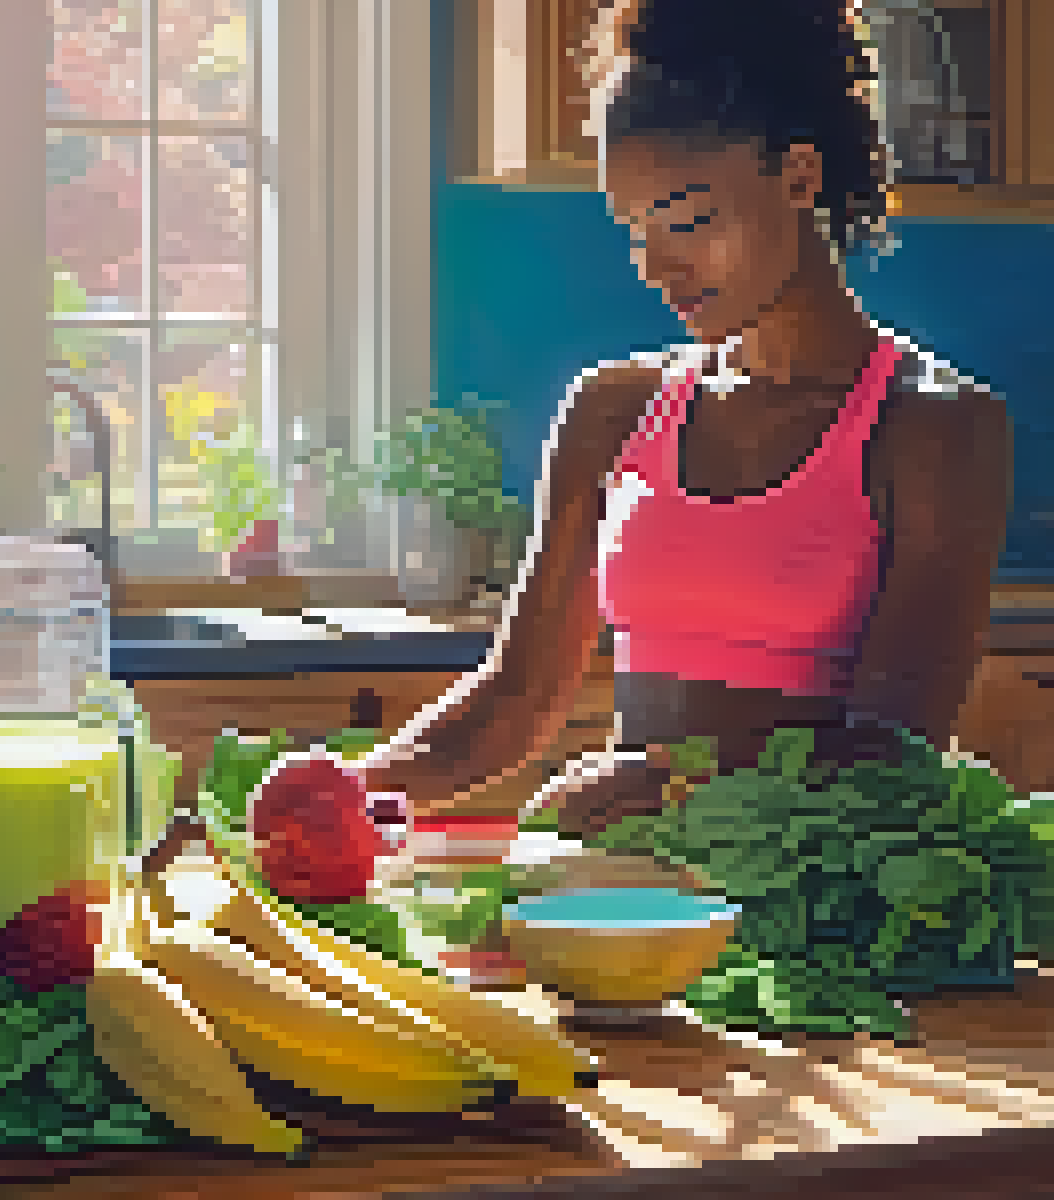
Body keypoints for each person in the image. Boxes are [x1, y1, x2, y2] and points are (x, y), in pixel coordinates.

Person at [354, 0, 1011, 838]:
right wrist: (327, 798)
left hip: (815, 914)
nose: (659, 269)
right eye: (635, 231)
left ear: (800, 176)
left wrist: (674, 782)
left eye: (690, 222)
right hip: (633, 904)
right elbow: (510, 706)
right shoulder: (612, 412)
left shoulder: (936, 429)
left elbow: (892, 759)